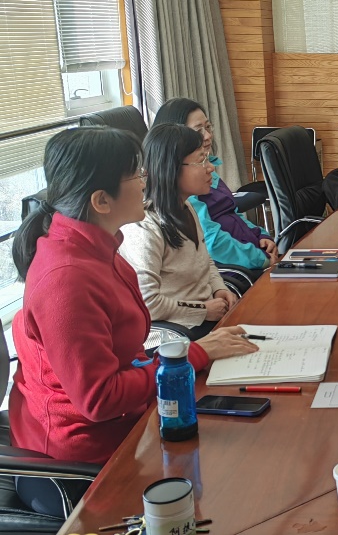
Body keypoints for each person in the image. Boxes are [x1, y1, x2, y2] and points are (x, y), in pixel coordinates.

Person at [9, 127, 256, 510]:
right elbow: (99, 399)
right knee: (232, 485)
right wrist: (194, 354)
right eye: (136, 175)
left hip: (128, 422)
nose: (145, 182)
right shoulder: (67, 279)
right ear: (101, 200)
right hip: (83, 457)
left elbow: (127, 353)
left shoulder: (102, 248)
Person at [120, 124, 242, 339]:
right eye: (201, 160)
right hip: (177, 335)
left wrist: (219, 288)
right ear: (171, 168)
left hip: (207, 322)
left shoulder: (187, 207)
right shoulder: (144, 226)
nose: (210, 168)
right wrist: (202, 310)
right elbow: (147, 302)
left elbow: (205, 261)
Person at [151, 98, 277, 270]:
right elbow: (212, 241)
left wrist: (260, 235)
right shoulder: (186, 189)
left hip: (251, 254)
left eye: (208, 127)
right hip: (237, 268)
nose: (208, 135)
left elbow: (231, 212)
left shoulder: (206, 170)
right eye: (198, 130)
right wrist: (261, 259)